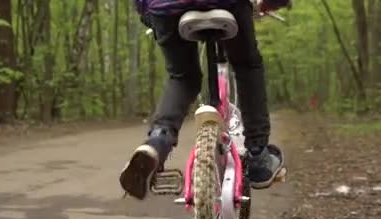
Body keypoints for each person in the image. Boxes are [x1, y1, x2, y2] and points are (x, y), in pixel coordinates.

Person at [120, 0, 289, 200]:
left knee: (183, 77)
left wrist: (148, 13)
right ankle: (258, 155)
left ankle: (158, 140)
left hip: (166, 6)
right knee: (247, 65)